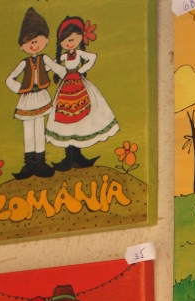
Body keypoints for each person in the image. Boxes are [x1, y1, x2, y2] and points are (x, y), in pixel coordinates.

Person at [45, 15, 119, 171]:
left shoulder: (79, 54)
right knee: (66, 119)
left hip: (80, 88)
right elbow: (49, 66)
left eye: (72, 39)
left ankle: (77, 156)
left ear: (80, 37)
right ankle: (70, 156)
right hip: (66, 91)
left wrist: (82, 69)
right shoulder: (64, 56)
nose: (69, 43)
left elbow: (93, 57)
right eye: (66, 40)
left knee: (82, 119)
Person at [6, 8, 65, 180]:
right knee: (28, 131)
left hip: (41, 97)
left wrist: (68, 74)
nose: (33, 44)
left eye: (37, 40)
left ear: (46, 40)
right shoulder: (24, 63)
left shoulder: (44, 59)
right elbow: (10, 79)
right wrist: (21, 89)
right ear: (22, 46)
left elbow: (58, 69)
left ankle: (40, 163)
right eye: (29, 41)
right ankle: (29, 164)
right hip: (27, 99)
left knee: (39, 129)